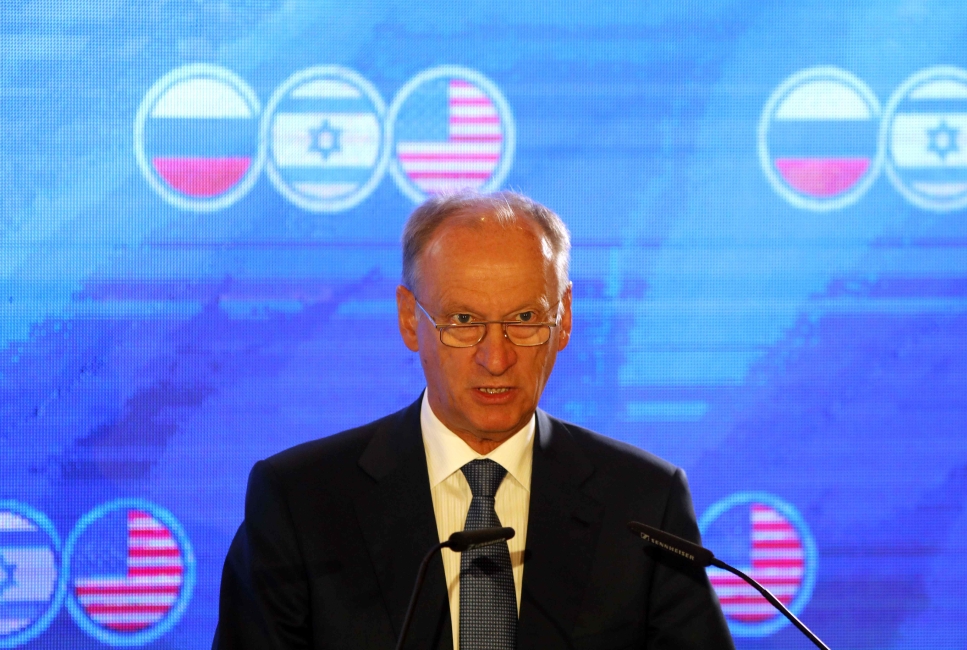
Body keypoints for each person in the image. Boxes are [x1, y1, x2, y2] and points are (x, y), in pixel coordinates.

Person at [213, 191, 734, 649]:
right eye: (463, 321)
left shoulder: (644, 503)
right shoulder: (301, 501)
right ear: (408, 319)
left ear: (566, 317)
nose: (496, 357)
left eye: (525, 319)